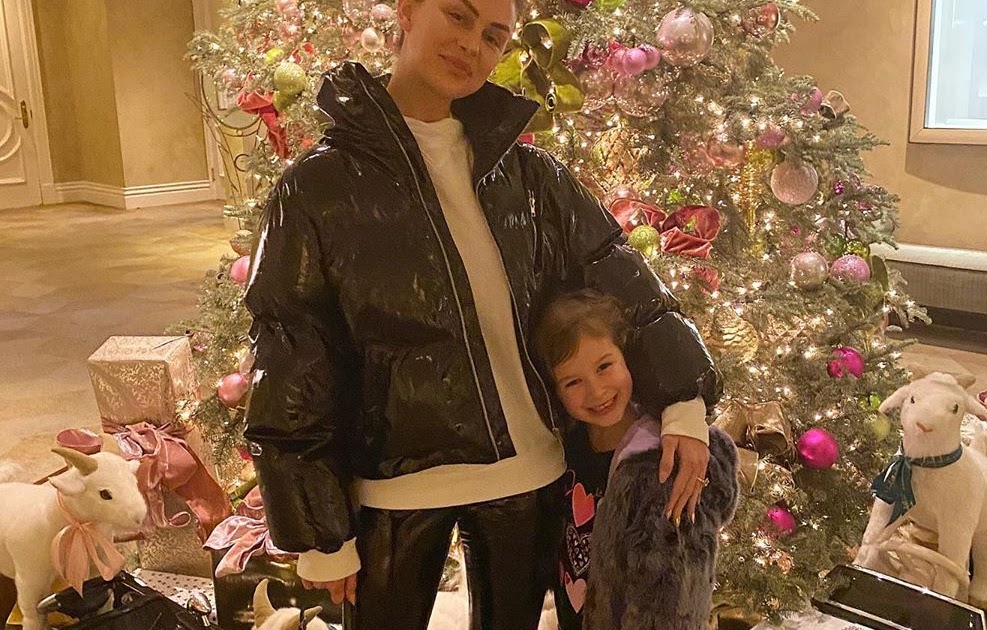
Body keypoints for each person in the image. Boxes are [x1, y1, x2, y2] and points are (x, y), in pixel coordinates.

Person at [241, 0, 721, 624]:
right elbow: (292, 349)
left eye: (494, 36)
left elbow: (619, 275)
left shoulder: (529, 175)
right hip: (393, 484)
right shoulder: (317, 187)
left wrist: (683, 398)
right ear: (407, 11)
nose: (473, 45)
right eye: (458, 16)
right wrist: (319, 532)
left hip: (528, 475)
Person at [533, 290, 739, 630]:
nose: (597, 391)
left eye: (604, 367)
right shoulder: (567, 446)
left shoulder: (661, 465)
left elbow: (669, 598)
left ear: (627, 357)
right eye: (573, 382)